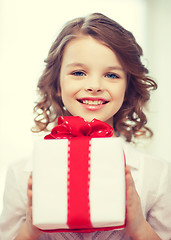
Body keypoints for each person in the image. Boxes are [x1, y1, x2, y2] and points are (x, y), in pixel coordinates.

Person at [0, 12, 171, 240]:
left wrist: (139, 225)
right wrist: (31, 227)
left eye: (111, 74)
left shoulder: (157, 174)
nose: (94, 85)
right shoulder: (20, 173)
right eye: (78, 72)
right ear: (57, 84)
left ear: (128, 88)